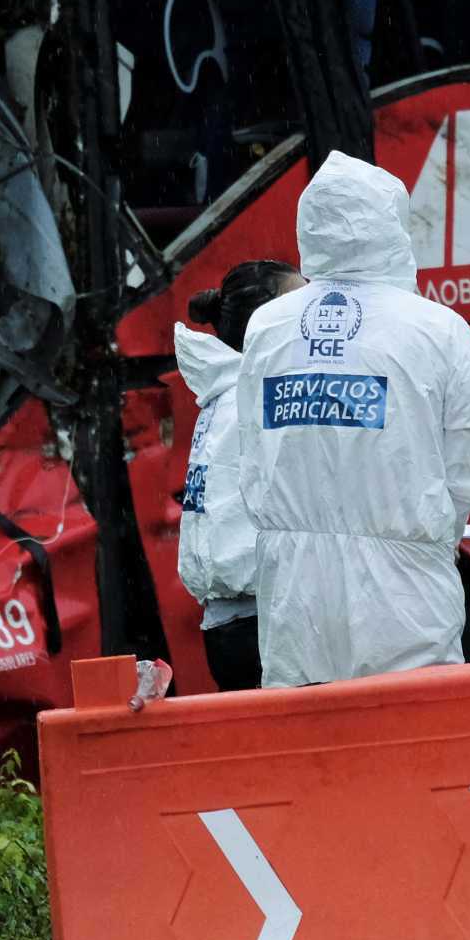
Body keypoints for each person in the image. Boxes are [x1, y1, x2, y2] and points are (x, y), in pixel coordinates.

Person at [240, 150, 470, 689]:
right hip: (404, 585)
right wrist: (435, 526)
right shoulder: (437, 327)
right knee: (412, 737)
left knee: (310, 740)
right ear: (391, 227)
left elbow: (250, 449)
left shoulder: (267, 325)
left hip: (293, 587)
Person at [176, 259, 307, 692]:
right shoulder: (257, 399)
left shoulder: (225, 394)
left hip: (235, 628)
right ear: (265, 322)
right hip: (265, 628)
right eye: (300, 302)